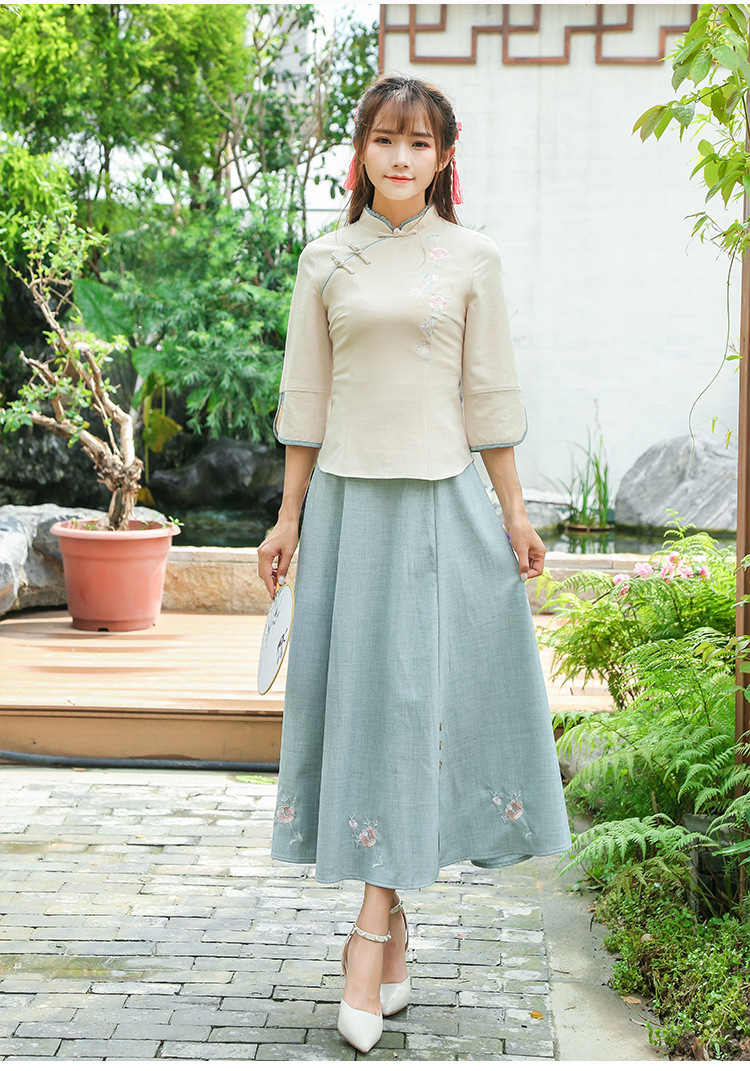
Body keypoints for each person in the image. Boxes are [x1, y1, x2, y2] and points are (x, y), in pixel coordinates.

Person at [257, 73, 571, 1055]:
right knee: (367, 710)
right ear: (361, 152)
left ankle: (369, 934)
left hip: (445, 510)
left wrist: (516, 516)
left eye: (420, 142)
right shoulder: (326, 259)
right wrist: (287, 519)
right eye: (386, 140)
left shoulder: (474, 259)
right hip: (349, 511)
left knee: (415, 709)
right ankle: (389, 929)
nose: (401, 158)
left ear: (444, 158)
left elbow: (491, 397)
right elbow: (306, 399)